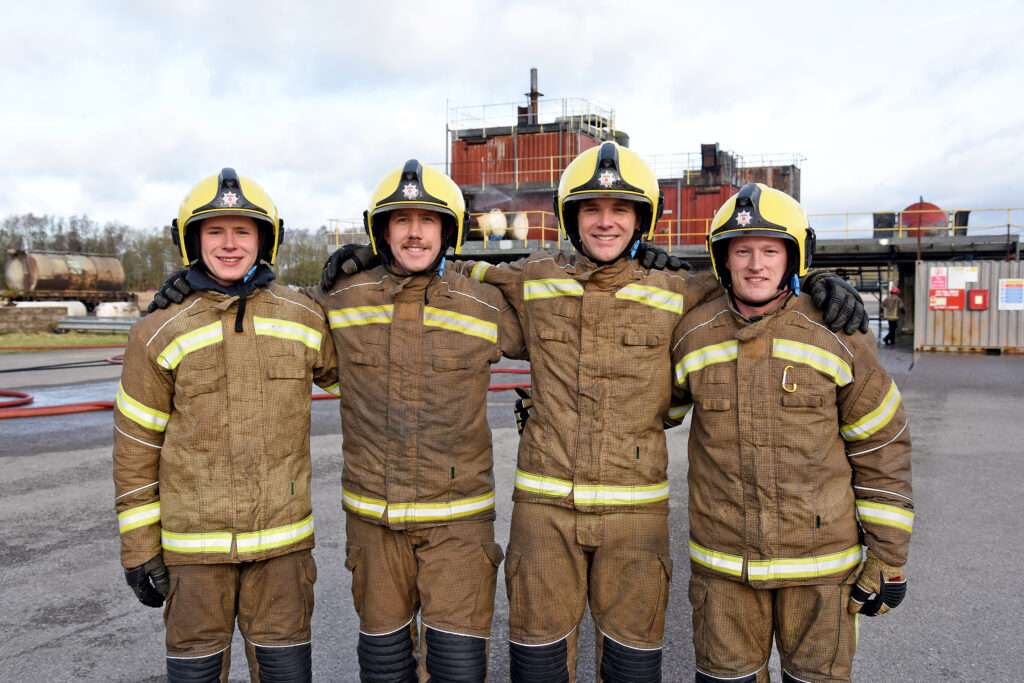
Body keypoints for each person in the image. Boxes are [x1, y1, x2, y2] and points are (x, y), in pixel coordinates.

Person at [318, 142, 871, 682]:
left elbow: (751, 287)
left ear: (641, 220)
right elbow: (462, 275)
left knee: (632, 664)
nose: (605, 222)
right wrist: (376, 258)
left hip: (635, 514)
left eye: (620, 210)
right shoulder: (532, 281)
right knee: (538, 661)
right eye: (593, 210)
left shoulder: (677, 290)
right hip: (545, 509)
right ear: (572, 218)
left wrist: (816, 283)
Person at [672, 183, 913, 683]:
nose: (755, 264)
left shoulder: (837, 333)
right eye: (742, 250)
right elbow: (638, 406)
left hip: (820, 572)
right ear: (723, 260)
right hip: (725, 572)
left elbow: (882, 446)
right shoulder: (693, 335)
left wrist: (888, 556)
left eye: (770, 250)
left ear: (793, 256)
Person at [113, 169, 339, 682]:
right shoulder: (156, 331)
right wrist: (139, 548)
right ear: (193, 241)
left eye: (243, 231)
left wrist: (372, 272)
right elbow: (134, 447)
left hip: (283, 552)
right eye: (215, 231)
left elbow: (366, 377)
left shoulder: (303, 318)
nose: (230, 244)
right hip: (193, 556)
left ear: (266, 239)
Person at [307, 160, 526, 682]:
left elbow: (566, 306)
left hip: (459, 522)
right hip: (374, 523)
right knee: (384, 670)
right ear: (380, 231)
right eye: (400, 220)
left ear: (447, 230)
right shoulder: (341, 298)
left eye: (427, 220)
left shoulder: (483, 304)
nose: (414, 232)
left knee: (457, 670)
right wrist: (199, 285)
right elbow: (269, 318)